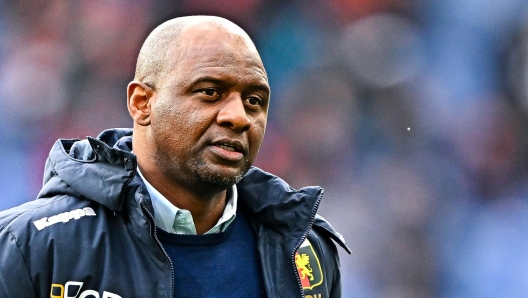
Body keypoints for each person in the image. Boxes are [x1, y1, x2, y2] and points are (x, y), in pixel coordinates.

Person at [0, 15, 350, 298]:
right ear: (142, 103)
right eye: (210, 92)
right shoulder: (31, 245)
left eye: (254, 101)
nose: (239, 117)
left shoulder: (306, 251)